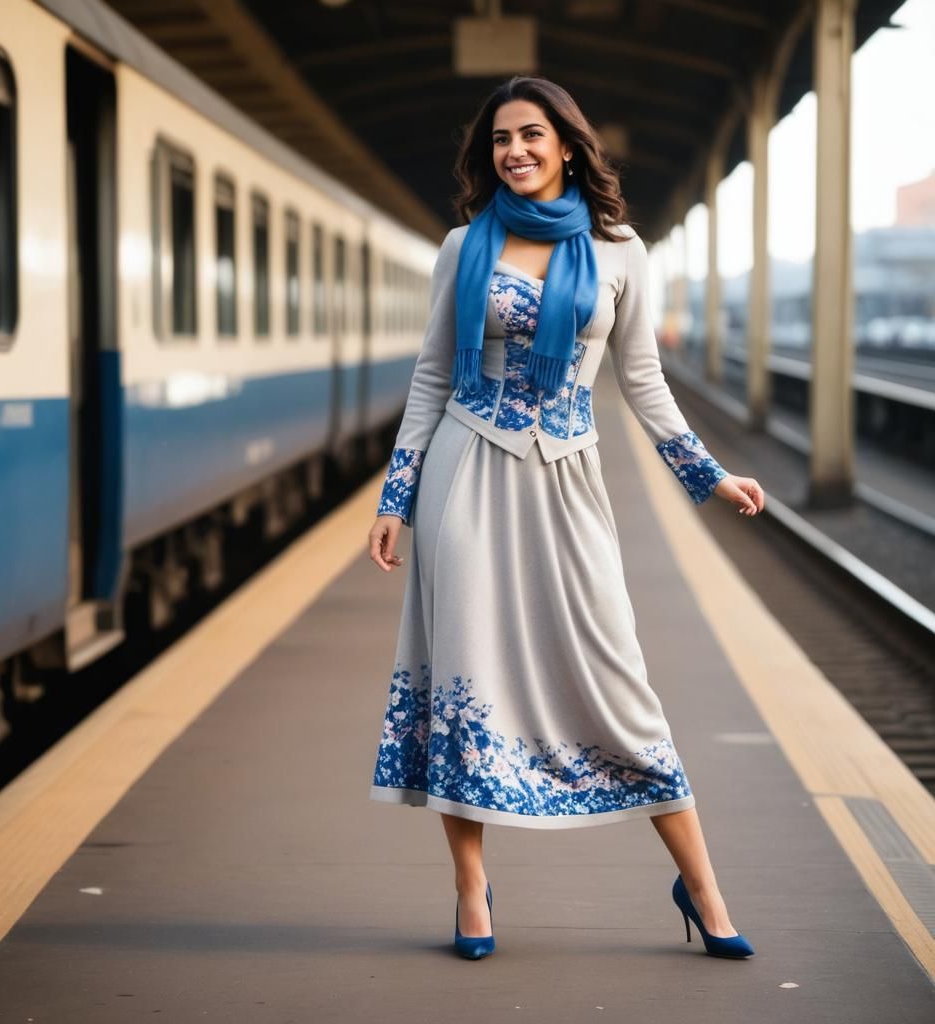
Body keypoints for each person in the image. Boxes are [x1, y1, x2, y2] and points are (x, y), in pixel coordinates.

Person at [365, 75, 764, 961]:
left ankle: (700, 887)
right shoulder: (463, 246)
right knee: (466, 674)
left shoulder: (620, 251)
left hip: (568, 481)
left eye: (533, 135)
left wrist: (707, 476)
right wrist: (396, 500)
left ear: (569, 146)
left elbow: (643, 380)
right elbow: (432, 378)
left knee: (618, 672)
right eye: (502, 138)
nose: (516, 151)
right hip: (466, 477)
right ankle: (472, 891)